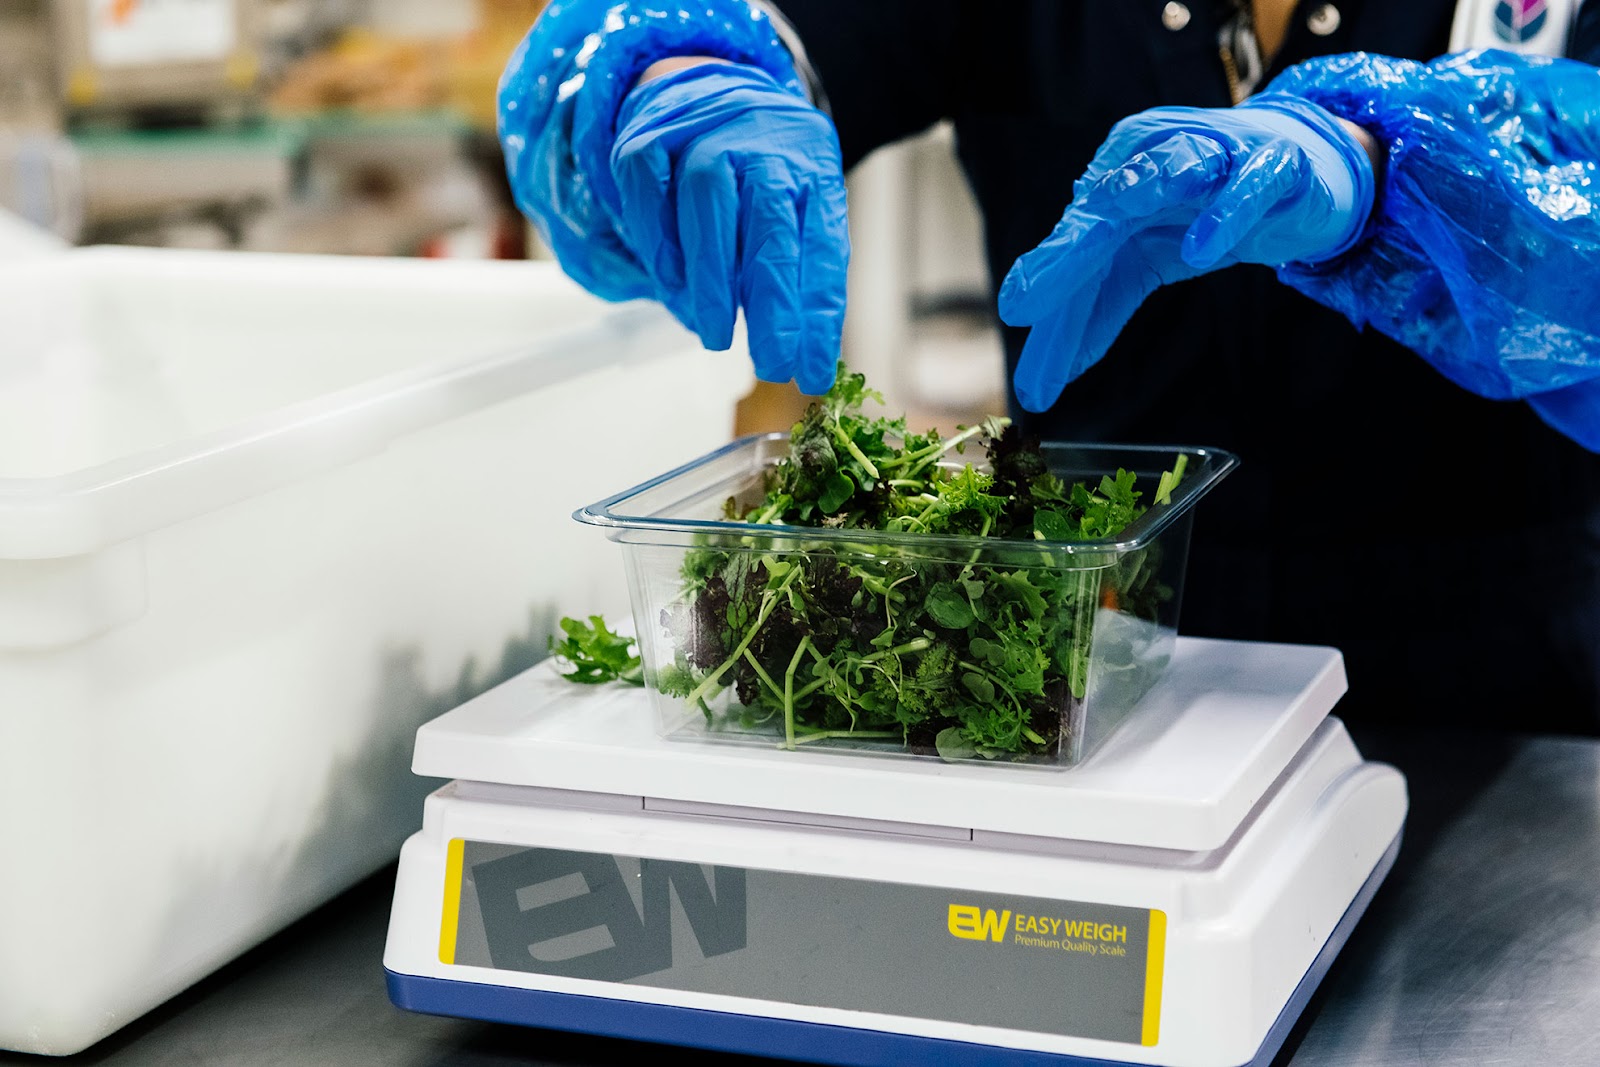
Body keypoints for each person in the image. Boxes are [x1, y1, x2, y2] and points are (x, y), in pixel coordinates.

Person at [497, 0, 1600, 733]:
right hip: (1082, 655)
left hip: (1520, 679)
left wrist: (1391, 174)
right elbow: (759, 20)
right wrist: (678, 77)